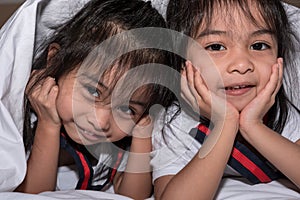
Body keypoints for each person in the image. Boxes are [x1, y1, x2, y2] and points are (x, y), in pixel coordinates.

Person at [14, 0, 178, 199]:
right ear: (55, 61)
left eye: (127, 108)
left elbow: (132, 195)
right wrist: (48, 124)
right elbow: (31, 195)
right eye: (93, 91)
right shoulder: (26, 118)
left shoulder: (120, 141)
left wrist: (143, 135)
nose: (100, 121)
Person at [151, 0, 300, 199]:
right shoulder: (175, 121)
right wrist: (225, 124)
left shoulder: (278, 111)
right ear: (181, 62)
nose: (241, 64)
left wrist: (253, 125)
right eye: (216, 47)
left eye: (259, 45)